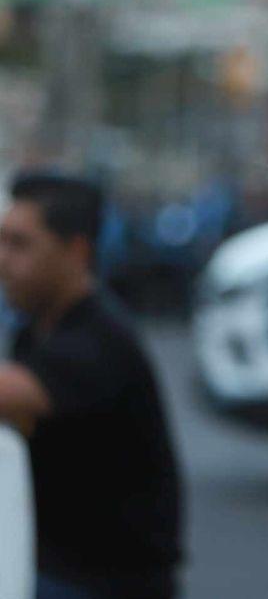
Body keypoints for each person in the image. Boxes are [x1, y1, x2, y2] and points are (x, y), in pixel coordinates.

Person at [0, 172, 182, 599]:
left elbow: (13, 396)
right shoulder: (35, 329)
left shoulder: (100, 337)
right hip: (57, 566)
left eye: (19, 244)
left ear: (76, 251)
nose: (2, 258)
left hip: (105, 583)